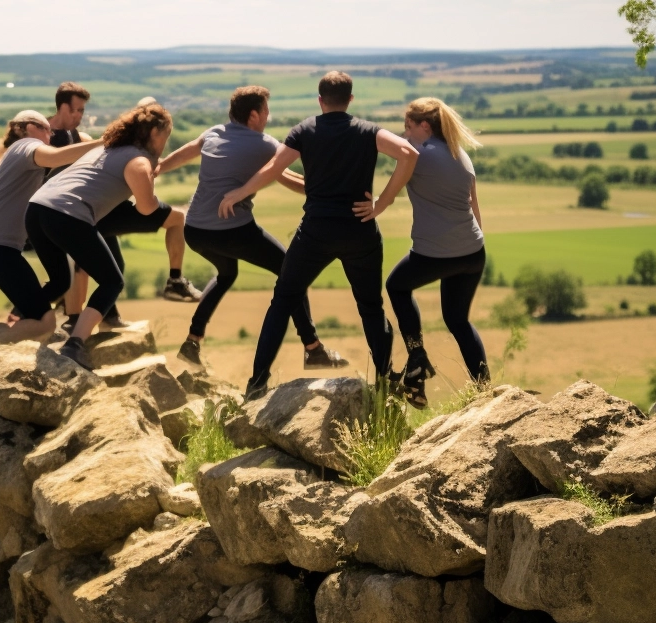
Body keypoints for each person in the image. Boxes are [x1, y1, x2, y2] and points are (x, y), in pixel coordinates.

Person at [227, 71, 420, 399]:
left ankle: (256, 383)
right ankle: (386, 380)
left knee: (283, 300)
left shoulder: (305, 130)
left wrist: (240, 192)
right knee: (371, 307)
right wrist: (382, 202)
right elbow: (409, 154)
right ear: (350, 99)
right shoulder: (367, 131)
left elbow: (274, 168)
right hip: (360, 230)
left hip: (315, 232)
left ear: (320, 100)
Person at [156, 86, 347, 370]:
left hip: (195, 230)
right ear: (254, 115)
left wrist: (157, 167)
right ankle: (313, 348)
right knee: (290, 272)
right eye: (267, 112)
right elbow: (288, 178)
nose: (268, 118)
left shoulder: (214, 132)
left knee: (226, 273)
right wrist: (329, 193)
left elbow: (183, 154)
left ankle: (192, 340)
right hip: (232, 231)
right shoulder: (265, 144)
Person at [27, 103, 174, 369]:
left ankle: (20, 321)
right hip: (67, 213)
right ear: (154, 133)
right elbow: (146, 208)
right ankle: (74, 345)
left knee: (60, 280)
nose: (165, 143)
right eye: (165, 137)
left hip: (37, 209)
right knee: (112, 280)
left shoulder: (107, 148)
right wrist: (152, 176)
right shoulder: (139, 161)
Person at [378, 97, 488, 407]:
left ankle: (417, 358)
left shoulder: (419, 155)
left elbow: (387, 166)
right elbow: (474, 207)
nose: (405, 133)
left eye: (408, 127)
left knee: (396, 286)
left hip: (435, 254)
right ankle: (484, 391)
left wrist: (375, 207)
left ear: (424, 126)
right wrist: (473, 245)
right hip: (472, 253)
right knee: (458, 320)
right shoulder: (460, 154)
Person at [0, 110, 111, 343]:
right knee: (45, 323)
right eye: (44, 128)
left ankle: (14, 321)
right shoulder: (26, 146)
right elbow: (57, 157)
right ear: (24, 128)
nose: (49, 133)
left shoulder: (23, 159)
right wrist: (104, 142)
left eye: (50, 130)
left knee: (60, 282)